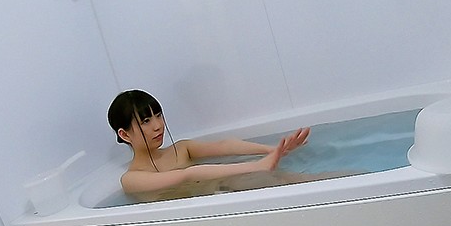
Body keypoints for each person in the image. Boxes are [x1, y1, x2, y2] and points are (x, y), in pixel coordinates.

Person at [107, 89, 310, 197]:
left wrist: (274, 150)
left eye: (158, 116)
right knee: (268, 180)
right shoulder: (131, 179)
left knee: (294, 179)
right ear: (125, 135)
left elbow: (224, 146)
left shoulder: (181, 149)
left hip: (225, 191)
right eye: (146, 121)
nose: (158, 126)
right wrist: (258, 166)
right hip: (207, 211)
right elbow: (187, 174)